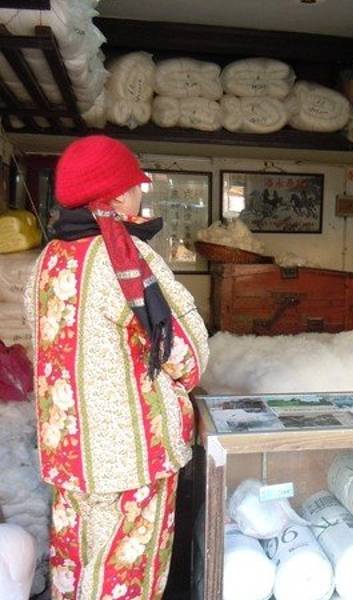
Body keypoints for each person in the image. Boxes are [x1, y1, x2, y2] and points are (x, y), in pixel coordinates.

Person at [25, 135, 209, 599]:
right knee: (125, 579)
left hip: (68, 453)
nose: (139, 195)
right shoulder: (126, 255)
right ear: (117, 195)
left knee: (75, 567)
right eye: (135, 187)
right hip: (132, 457)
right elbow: (186, 355)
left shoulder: (48, 259)